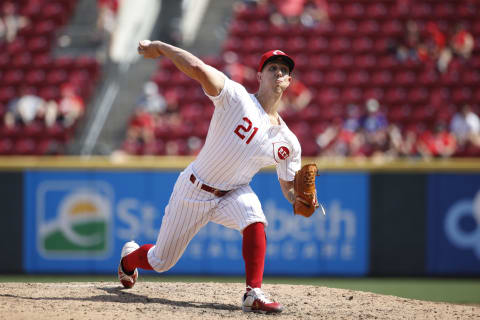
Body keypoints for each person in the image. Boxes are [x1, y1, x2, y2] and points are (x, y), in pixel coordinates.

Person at [117, 41, 315, 314]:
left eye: (284, 70)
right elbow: (197, 68)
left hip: (234, 191)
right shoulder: (236, 97)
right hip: (195, 188)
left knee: (255, 217)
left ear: (290, 80)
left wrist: (300, 200)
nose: (279, 72)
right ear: (260, 76)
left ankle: (253, 292)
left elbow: (288, 186)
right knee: (161, 261)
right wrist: (161, 47)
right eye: (272, 68)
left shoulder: (289, 142)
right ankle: (129, 258)